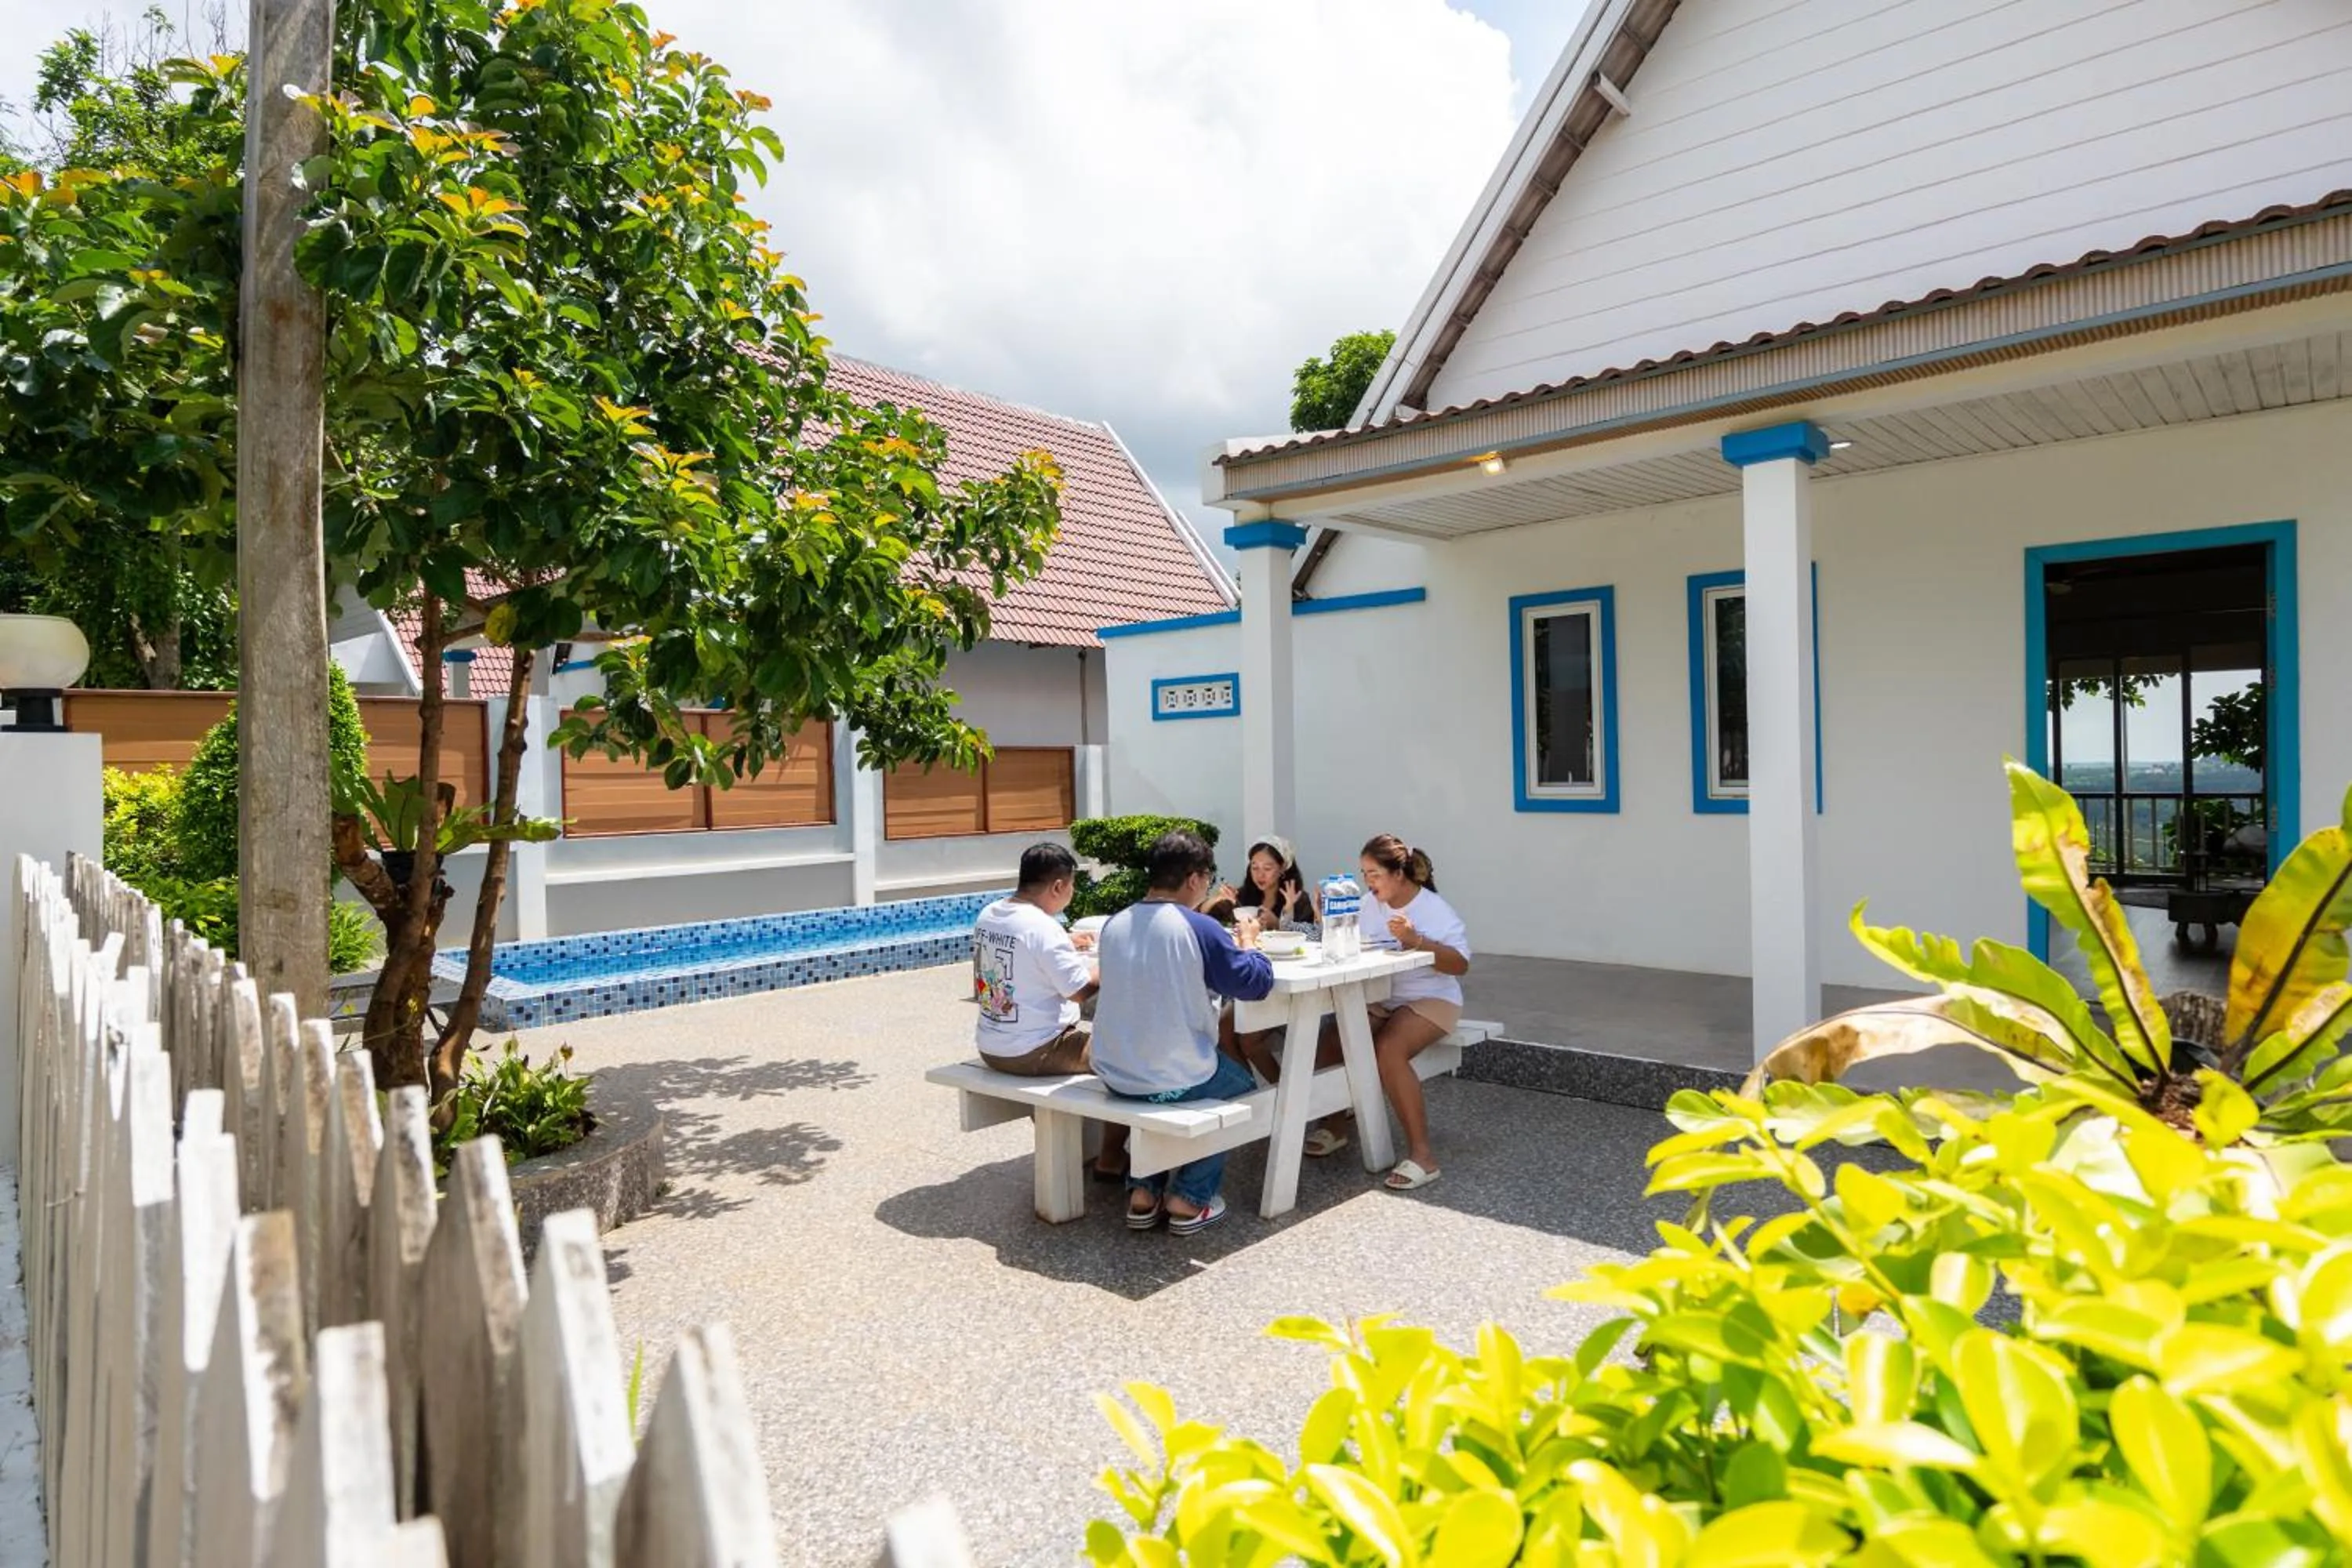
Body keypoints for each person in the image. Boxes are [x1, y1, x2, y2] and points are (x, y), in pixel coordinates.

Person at [1091, 829, 1276, 1234]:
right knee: (1242, 1088)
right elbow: (1254, 984)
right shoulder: (1199, 927)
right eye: (1207, 878)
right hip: (1171, 1075)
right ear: (1194, 878)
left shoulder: (1115, 923)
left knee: (1164, 1079)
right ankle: (1189, 1199)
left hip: (1114, 1072)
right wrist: (1250, 943)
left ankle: (1144, 1193)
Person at [1305, 834, 1470, 1191]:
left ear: (1399, 874)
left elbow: (1460, 964)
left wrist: (1417, 941)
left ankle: (1423, 1156)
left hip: (1432, 998)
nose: (1369, 882)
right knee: (1333, 1041)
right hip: (1383, 997)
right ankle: (1335, 1127)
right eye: (1365, 874)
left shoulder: (1434, 909)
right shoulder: (1368, 904)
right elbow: (1349, 943)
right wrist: (1326, 918)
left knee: (1388, 1051)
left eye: (1375, 874)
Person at [973, 842, 1126, 1181]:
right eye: (1071, 886)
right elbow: (1080, 991)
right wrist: (1114, 957)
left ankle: (1082, 1146)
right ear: (1058, 886)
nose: (1072, 893)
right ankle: (1111, 1157)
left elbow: (1024, 950)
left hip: (991, 1046)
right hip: (1036, 1050)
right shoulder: (1042, 927)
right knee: (1126, 1055)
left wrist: (1066, 943)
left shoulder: (990, 914)